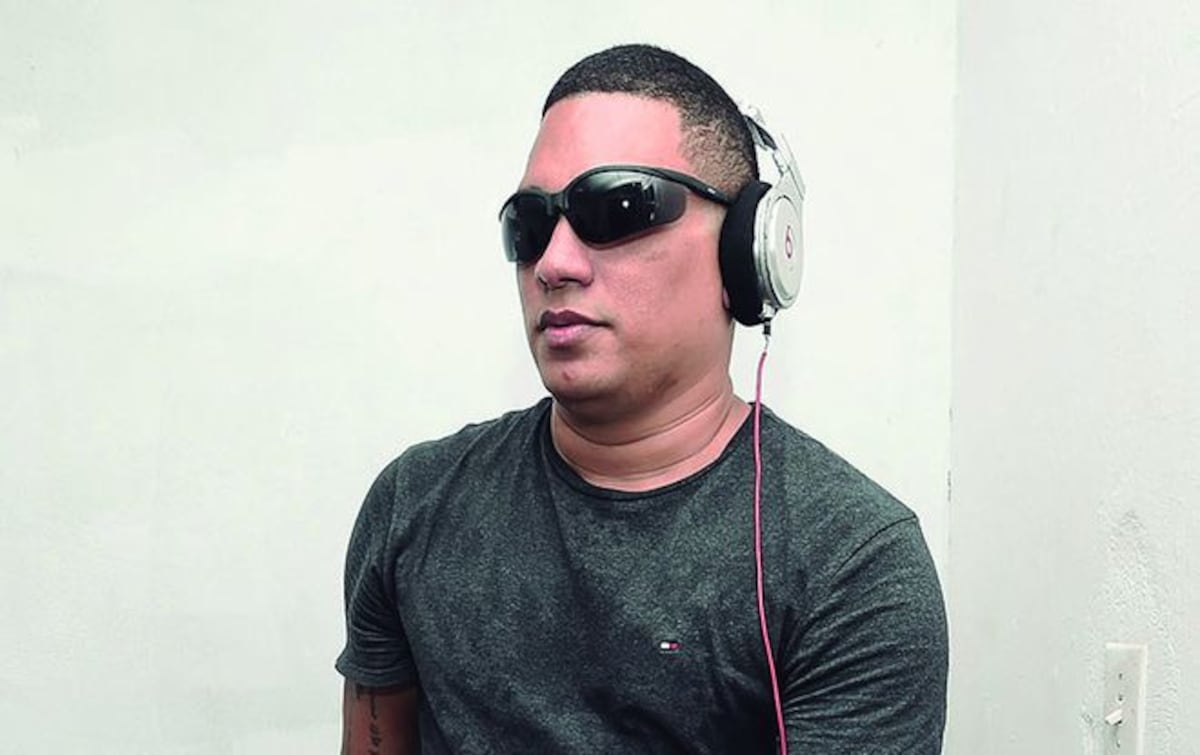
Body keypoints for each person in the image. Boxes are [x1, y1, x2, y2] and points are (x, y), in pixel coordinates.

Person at [337, 43, 947, 754]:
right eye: (530, 225)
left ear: (745, 253)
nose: (554, 263)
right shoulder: (414, 504)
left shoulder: (853, 567)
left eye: (619, 207)